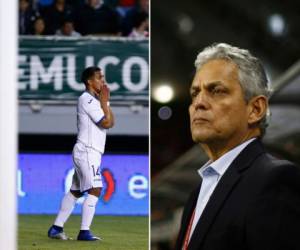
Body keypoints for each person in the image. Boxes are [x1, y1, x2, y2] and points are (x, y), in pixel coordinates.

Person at [175, 43, 300, 250]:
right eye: (195, 93)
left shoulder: (275, 180)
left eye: (216, 91)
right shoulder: (197, 193)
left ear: (256, 109)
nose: (199, 103)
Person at [48, 66, 114, 241]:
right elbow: (106, 123)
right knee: (96, 188)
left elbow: (111, 122)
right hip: (87, 151)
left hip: (90, 152)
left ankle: (56, 228)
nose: (103, 81)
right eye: (99, 78)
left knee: (75, 192)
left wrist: (105, 103)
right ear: (89, 82)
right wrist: (104, 102)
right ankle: (84, 232)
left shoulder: (97, 100)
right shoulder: (86, 99)